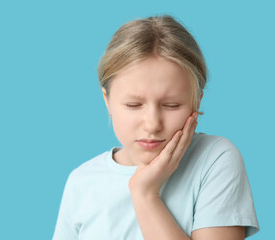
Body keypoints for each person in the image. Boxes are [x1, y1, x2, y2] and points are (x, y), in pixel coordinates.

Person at [52, 15, 259, 240]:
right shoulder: (81, 182)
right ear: (107, 101)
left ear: (196, 102)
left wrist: (145, 194)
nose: (152, 124)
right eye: (133, 105)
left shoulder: (215, 159)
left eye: (171, 105)